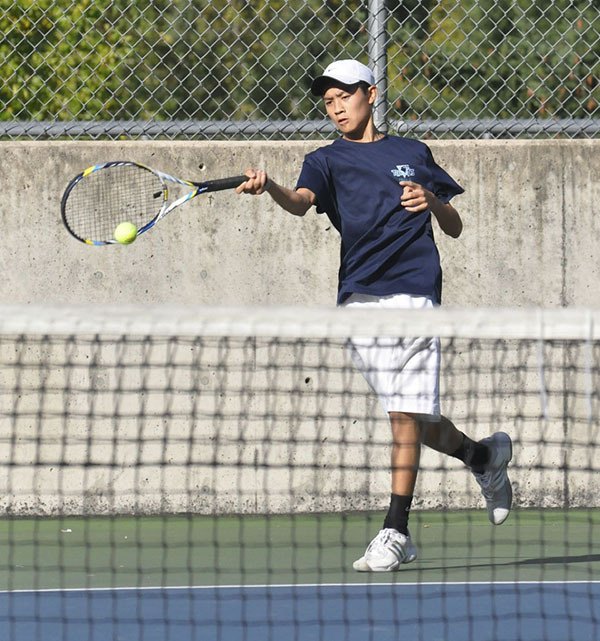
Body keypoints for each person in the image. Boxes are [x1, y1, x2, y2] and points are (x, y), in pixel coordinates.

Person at [236, 58, 512, 572]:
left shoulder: (413, 153)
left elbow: (452, 227)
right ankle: (483, 457)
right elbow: (300, 202)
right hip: (358, 301)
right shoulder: (325, 159)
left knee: (402, 415)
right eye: (327, 100)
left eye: (344, 95)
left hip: (414, 292)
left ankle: (396, 529)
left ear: (371, 93)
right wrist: (268, 186)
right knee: (414, 418)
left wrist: (431, 200)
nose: (335, 106)